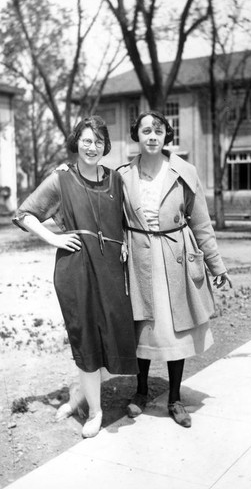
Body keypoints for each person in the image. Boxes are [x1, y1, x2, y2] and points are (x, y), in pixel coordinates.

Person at [12, 115, 138, 438]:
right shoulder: (61, 179)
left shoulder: (115, 179)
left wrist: (122, 242)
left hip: (110, 267)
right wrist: (54, 238)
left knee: (113, 334)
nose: (92, 147)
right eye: (86, 140)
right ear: (76, 142)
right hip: (76, 267)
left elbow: (121, 219)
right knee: (86, 338)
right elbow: (25, 214)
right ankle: (94, 411)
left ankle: (79, 392)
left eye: (98, 141)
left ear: (105, 145)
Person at [117, 110, 232, 428]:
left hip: (176, 259)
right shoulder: (123, 175)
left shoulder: (184, 171)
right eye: (145, 131)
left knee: (174, 329)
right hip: (138, 260)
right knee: (142, 328)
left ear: (167, 135)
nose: (152, 136)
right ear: (136, 136)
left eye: (158, 130)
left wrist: (216, 265)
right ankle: (140, 392)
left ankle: (175, 398)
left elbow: (202, 223)